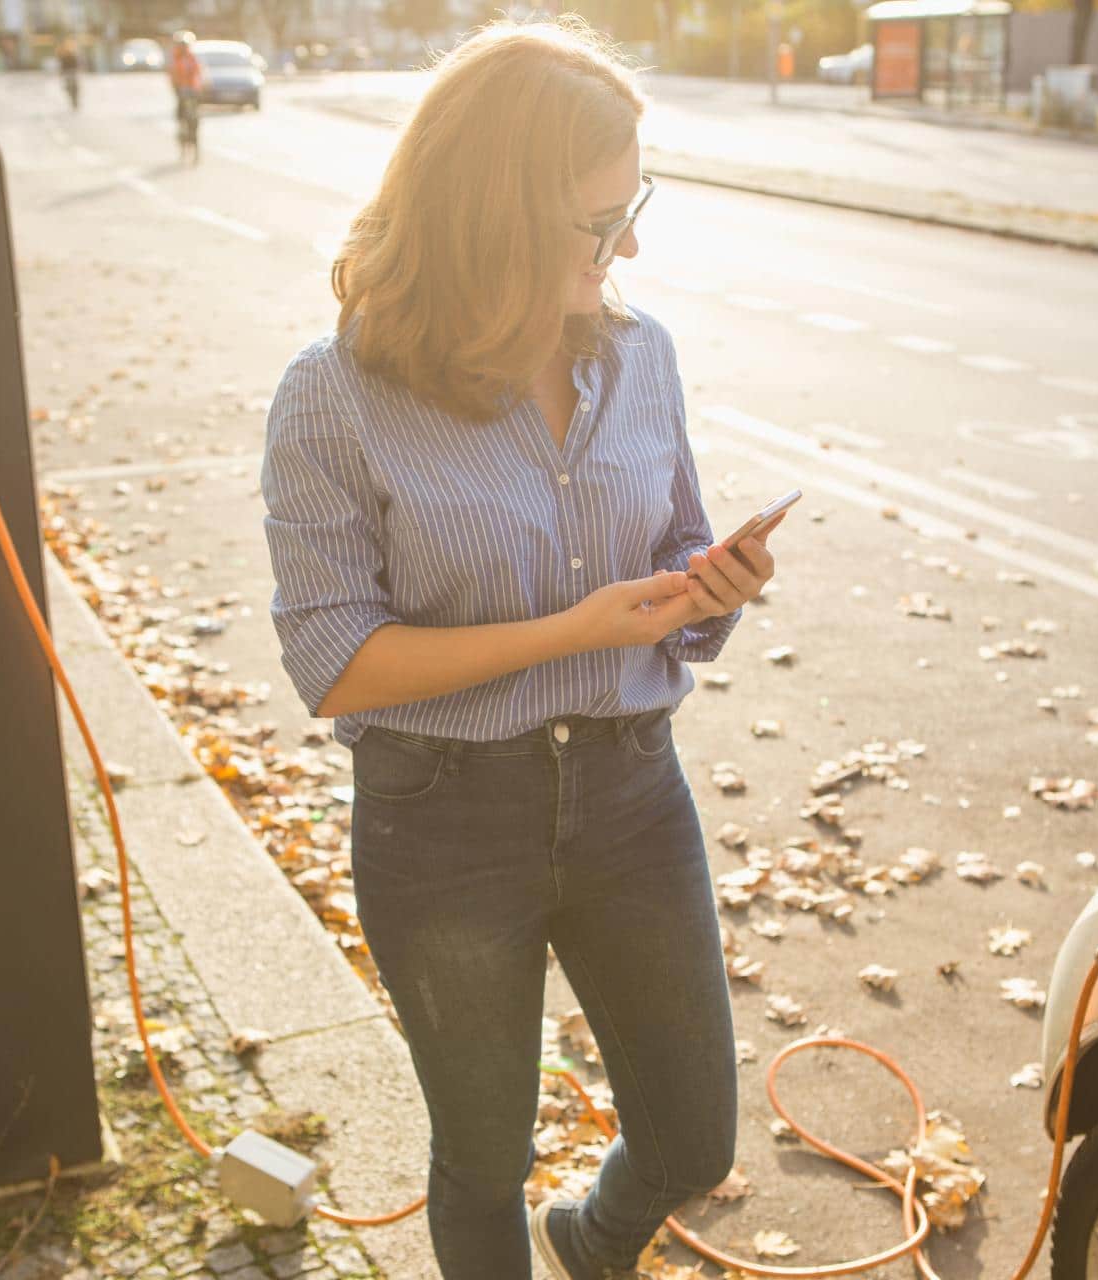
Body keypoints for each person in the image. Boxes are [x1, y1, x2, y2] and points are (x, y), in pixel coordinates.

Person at [260, 17, 777, 1278]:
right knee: (482, 1159)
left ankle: (594, 1244)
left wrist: (716, 589)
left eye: (633, 206)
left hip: (629, 788)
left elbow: (679, 559)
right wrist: (572, 629)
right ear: (493, 215)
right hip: (443, 821)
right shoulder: (333, 394)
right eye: (602, 220)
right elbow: (336, 663)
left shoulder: (642, 353)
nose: (633, 244)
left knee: (693, 1139)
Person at [57, 39, 81, 110]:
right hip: (70, 75)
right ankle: (74, 104)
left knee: (73, 90)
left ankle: (74, 104)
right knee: (72, 90)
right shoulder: (64, 55)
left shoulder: (69, 55)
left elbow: (77, 65)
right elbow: (62, 66)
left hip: (71, 75)